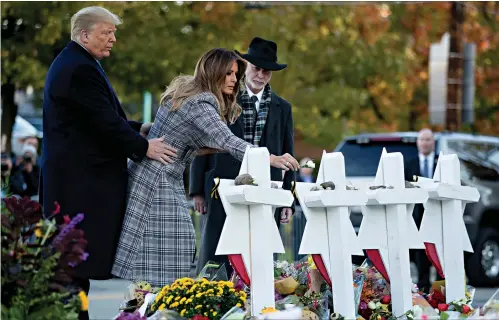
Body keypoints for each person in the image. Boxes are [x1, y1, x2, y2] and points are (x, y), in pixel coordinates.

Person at [112, 48, 299, 287]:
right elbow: (227, 140)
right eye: (229, 73)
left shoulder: (188, 92)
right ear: (214, 71)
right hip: (156, 182)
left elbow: (195, 142)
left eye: (235, 73)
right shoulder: (201, 102)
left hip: (157, 177)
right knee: (171, 256)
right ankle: (155, 309)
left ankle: (149, 307)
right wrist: (270, 158)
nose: (234, 79)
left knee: (160, 260)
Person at [41, 6, 176, 318]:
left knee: (73, 271)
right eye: (107, 32)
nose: (113, 39)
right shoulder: (79, 69)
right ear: (85, 34)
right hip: (79, 188)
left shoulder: (78, 63)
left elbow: (100, 118)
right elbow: (103, 123)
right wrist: (145, 147)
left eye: (113, 32)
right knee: (71, 269)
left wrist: (140, 129)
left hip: (76, 185)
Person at [190, 37, 296, 275]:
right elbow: (201, 142)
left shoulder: (283, 107)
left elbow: (288, 152)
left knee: (261, 249)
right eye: (256, 68)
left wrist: (290, 197)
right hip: (222, 183)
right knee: (216, 247)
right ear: (246, 66)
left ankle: (259, 302)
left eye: (266, 71)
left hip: (266, 186)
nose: (260, 75)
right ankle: (213, 297)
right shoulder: (222, 97)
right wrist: (197, 189)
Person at [404, 128, 439, 292]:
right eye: (422, 140)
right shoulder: (410, 164)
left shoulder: (441, 162)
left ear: (433, 142)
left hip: (437, 213)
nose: (425, 143)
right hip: (417, 215)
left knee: (438, 248)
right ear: (418, 143)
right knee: (420, 250)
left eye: (428, 139)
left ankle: (440, 285)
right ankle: (423, 285)